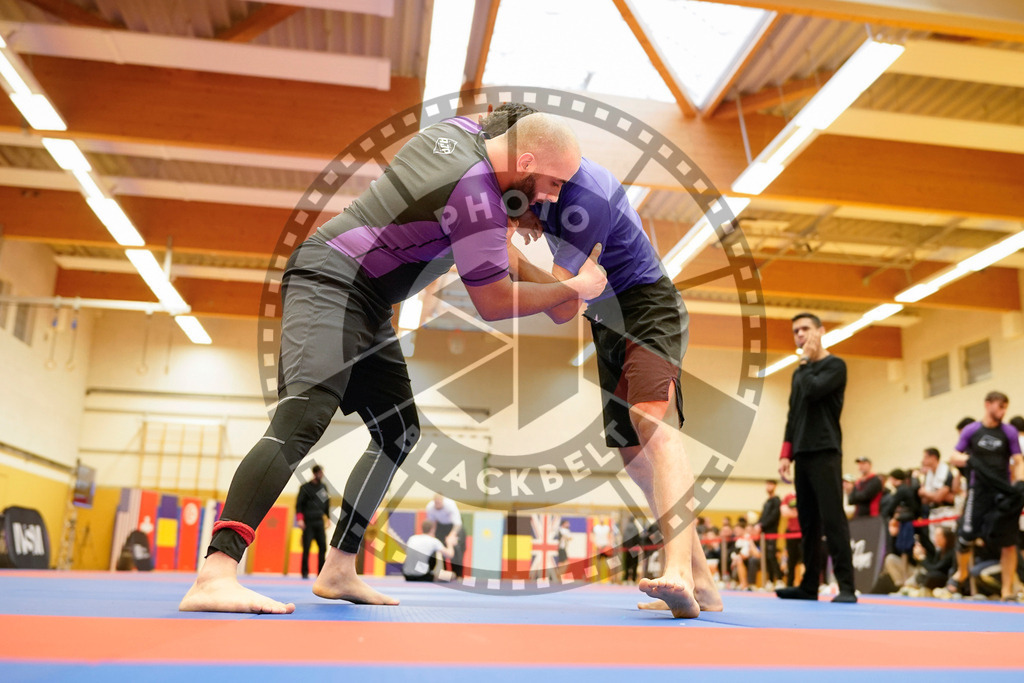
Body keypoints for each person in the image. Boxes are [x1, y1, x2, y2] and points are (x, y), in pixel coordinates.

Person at [179, 112, 608, 613]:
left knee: (398, 431)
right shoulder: (476, 201)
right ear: (526, 162)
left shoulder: (457, 131)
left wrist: (531, 234)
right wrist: (574, 286)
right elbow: (494, 301)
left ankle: (338, 569)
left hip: (367, 299)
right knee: (305, 415)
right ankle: (216, 572)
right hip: (330, 278)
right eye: (553, 184)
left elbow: (506, 126)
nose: (552, 198)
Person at [482, 103, 720, 619]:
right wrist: (517, 219)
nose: (546, 197)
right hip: (606, 317)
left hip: (646, 303)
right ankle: (703, 581)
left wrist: (514, 260)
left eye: (553, 188)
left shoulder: (584, 196)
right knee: (633, 456)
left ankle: (679, 571)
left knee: (651, 422)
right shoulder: (529, 181)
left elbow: (563, 306)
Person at [776, 312, 858, 603]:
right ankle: (809, 585)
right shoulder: (799, 373)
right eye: (796, 330)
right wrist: (786, 453)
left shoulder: (835, 366)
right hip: (802, 452)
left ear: (821, 331)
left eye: (805, 329)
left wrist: (805, 361)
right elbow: (793, 415)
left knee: (832, 518)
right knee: (808, 521)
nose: (800, 334)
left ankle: (847, 587)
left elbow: (812, 392)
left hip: (825, 450)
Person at [948, 391, 1023, 600]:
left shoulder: (1008, 432)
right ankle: (961, 572)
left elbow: (1018, 460)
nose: (1003, 411)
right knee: (966, 537)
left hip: (1002, 491)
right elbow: (953, 455)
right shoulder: (972, 430)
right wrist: (968, 460)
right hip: (978, 489)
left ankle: (1006, 590)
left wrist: (1019, 483)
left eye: (1005, 407)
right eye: (1000, 406)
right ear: (988, 404)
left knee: (1009, 542)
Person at [296, 465, 330, 579]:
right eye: (319, 473)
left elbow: (326, 504)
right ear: (314, 473)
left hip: (319, 522)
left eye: (322, 473)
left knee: (323, 547)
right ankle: (304, 572)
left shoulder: (323, 487)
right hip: (308, 522)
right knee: (306, 548)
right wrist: (300, 519)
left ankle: (320, 573)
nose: (321, 475)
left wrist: (328, 518)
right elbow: (299, 505)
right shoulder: (305, 487)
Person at [918, 447, 958, 542]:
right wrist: (934, 495)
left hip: (947, 513)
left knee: (948, 541)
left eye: (925, 457)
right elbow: (924, 500)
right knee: (935, 542)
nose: (923, 460)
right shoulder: (929, 474)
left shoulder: (946, 472)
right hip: (933, 512)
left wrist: (926, 493)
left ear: (933, 457)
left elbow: (938, 498)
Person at [425, 495, 463, 577]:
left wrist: (451, 536)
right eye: (436, 502)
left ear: (443, 501)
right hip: (440, 527)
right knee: (439, 549)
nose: (437, 504)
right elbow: (432, 523)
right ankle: (443, 573)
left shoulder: (450, 505)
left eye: (439, 502)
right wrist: (432, 535)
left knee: (456, 550)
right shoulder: (430, 507)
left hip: (452, 526)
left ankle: (458, 575)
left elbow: (458, 524)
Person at [754, 479, 783, 588]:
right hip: (764, 534)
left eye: (770, 485)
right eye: (767, 485)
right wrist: (757, 525)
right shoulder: (767, 502)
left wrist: (762, 525)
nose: (768, 487)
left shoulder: (776, 501)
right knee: (766, 557)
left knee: (772, 556)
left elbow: (773, 516)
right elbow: (763, 516)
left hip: (772, 533)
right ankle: (770, 581)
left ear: (775, 486)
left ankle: (779, 579)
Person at [780, 490, 802, 587]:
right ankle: (790, 584)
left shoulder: (806, 494)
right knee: (791, 560)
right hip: (791, 533)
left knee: (804, 559)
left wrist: (793, 511)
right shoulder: (789, 496)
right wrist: (798, 512)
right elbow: (784, 512)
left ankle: (804, 582)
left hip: (804, 532)